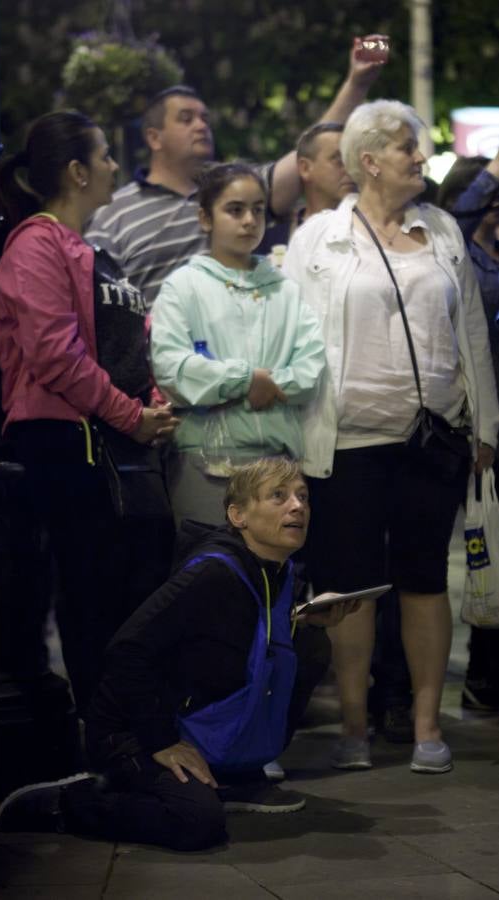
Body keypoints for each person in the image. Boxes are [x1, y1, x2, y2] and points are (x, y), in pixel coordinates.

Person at [283, 99, 499, 774]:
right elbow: (291, 334)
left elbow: (468, 331)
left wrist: (484, 423)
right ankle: (352, 728)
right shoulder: (318, 235)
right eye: (407, 146)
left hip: (429, 438)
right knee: (349, 585)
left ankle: (427, 725)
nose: (419, 157)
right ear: (368, 160)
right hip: (342, 440)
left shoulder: (437, 228)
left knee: (424, 578)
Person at [0, 458, 358, 851]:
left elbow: (240, 642)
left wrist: (301, 623)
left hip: (192, 723)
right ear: (238, 515)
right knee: (197, 823)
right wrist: (160, 741)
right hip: (132, 730)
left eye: (302, 497)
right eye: (279, 496)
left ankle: (236, 771)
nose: (297, 506)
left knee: (310, 646)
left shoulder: (280, 573)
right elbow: (127, 648)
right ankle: (68, 802)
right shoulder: (212, 573)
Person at [0, 111, 180, 718]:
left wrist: (149, 400)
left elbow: (118, 346)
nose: (114, 167)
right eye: (103, 156)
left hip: (103, 439)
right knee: (90, 597)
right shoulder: (35, 244)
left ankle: (125, 731)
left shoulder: (85, 248)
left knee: (122, 591)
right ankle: (105, 741)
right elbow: (55, 357)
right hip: (63, 441)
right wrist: (132, 415)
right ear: (76, 172)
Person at [84, 38, 387, 308]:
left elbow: (307, 154)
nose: (201, 125)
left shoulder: (237, 190)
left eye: (204, 118)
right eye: (186, 119)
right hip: (155, 363)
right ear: (154, 138)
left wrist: (356, 85)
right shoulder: (114, 213)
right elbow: (95, 303)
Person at [150, 161, 325, 527]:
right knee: (209, 569)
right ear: (205, 218)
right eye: (235, 210)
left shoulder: (285, 288)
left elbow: (311, 370)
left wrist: (265, 384)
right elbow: (173, 369)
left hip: (278, 464)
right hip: (204, 464)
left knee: (272, 576)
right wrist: (247, 380)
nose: (249, 220)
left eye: (258, 210)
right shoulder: (183, 287)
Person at [438, 149, 499, 712]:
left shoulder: (492, 251)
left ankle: (487, 675)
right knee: (480, 546)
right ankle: (482, 677)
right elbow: (464, 205)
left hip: (493, 418)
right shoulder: (454, 244)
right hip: (466, 421)